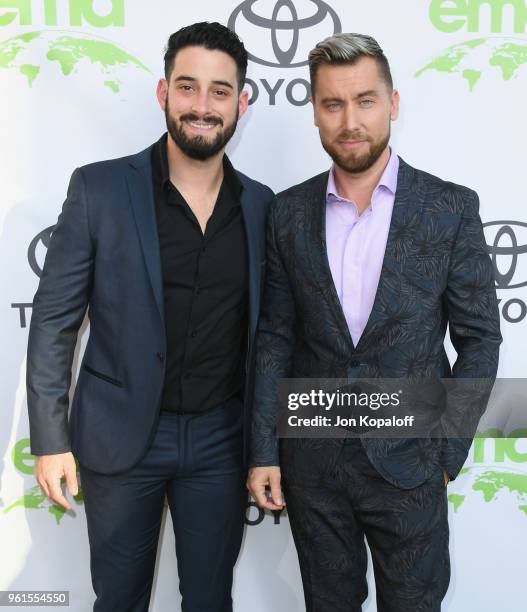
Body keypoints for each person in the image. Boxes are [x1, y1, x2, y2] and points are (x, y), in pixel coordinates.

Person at [247, 32, 501, 611]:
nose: (350, 120)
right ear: (314, 110)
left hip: (411, 466)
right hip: (313, 465)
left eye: (365, 100)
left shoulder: (449, 208)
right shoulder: (288, 213)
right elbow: (276, 338)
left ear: (392, 103)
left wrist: (446, 451)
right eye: (332, 104)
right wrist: (264, 450)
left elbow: (481, 339)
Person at [27, 21, 273, 612]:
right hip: (119, 437)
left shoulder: (264, 206)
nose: (202, 106)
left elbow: (271, 336)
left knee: (211, 599)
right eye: (187, 88)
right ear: (163, 93)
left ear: (240, 104)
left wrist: (268, 444)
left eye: (219, 92)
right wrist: (50, 438)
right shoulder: (99, 190)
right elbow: (55, 320)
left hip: (220, 441)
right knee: (118, 600)